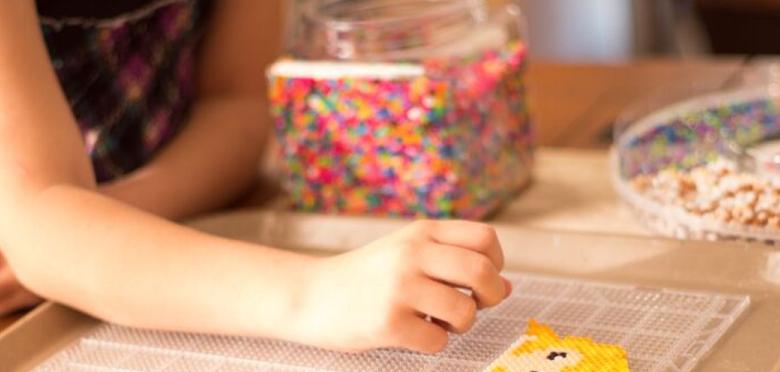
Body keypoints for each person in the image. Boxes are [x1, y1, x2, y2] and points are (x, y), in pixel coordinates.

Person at [0, 0, 511, 353]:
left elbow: (236, 107)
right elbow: (41, 212)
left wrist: (91, 227)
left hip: (124, 226)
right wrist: (320, 293)